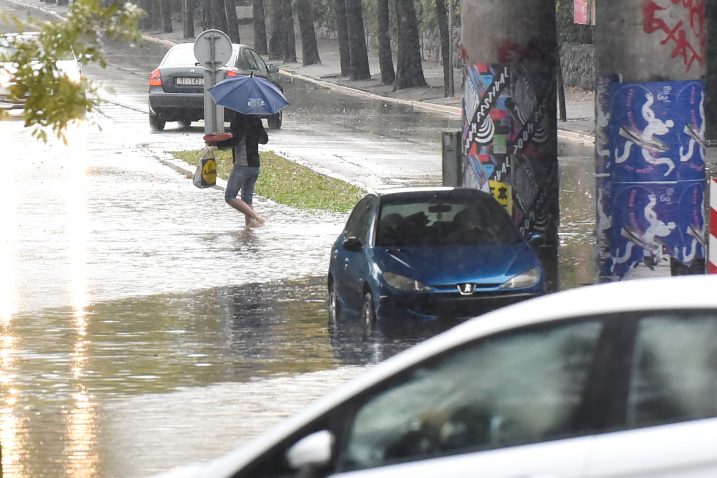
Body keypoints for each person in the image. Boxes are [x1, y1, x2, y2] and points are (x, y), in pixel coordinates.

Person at [215, 113, 268, 227]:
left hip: (242, 165)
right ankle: (249, 229)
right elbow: (264, 140)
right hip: (255, 165)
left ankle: (257, 217)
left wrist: (217, 144)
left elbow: (235, 141)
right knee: (247, 199)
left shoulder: (238, 118)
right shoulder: (255, 119)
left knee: (229, 196)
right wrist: (255, 130)